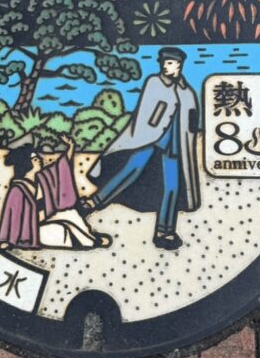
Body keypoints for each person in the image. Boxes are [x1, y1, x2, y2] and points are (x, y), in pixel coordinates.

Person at [82, 47, 200, 250]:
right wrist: (149, 130)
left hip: (174, 146)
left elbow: (192, 118)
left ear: (179, 65)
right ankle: (94, 202)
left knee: (172, 187)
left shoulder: (187, 91)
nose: (166, 66)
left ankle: (164, 231)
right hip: (148, 139)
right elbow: (146, 112)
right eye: (164, 62)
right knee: (131, 170)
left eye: (170, 63)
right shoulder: (154, 82)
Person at [0, 135, 111, 250]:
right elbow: (10, 216)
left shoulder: (42, 179)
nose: (39, 160)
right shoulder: (18, 189)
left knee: (71, 213)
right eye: (35, 159)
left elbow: (60, 168)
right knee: (59, 231)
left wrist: (70, 147)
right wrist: (7, 240)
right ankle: (91, 242)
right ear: (26, 163)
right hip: (32, 231)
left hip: (48, 219)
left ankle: (91, 240)